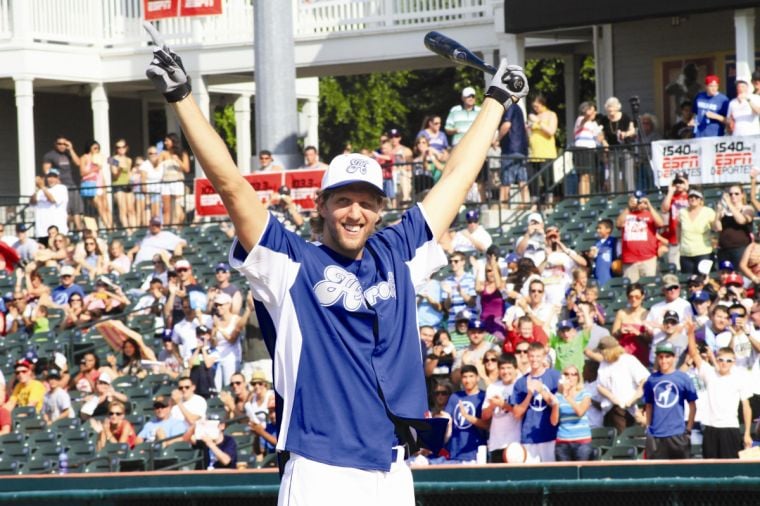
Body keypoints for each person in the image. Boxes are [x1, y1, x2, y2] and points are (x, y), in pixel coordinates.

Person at [144, 23, 527, 502]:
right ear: (321, 206)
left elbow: (453, 180)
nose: (355, 211)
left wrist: (494, 102)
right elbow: (234, 189)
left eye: (366, 202)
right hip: (319, 468)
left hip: (392, 469)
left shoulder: (397, 252)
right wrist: (182, 97)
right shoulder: (290, 263)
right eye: (343, 200)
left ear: (380, 209)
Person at [686, 321, 753, 458]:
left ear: (733, 362)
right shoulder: (709, 373)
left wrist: (746, 433)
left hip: (730, 428)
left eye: (729, 361)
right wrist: (690, 333)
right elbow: (694, 353)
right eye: (721, 359)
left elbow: (746, 407)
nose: (724, 363)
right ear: (716, 359)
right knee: (710, 470)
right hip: (711, 428)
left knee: (731, 470)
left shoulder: (739, 377)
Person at [643, 341, 697, 460]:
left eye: (667, 356)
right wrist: (648, 428)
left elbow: (692, 406)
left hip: (678, 434)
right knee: (657, 475)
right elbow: (649, 406)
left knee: (681, 474)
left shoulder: (683, 378)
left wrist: (688, 430)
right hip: (656, 435)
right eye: (661, 357)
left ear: (674, 358)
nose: (664, 360)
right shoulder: (651, 380)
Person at [510, 342, 561, 462]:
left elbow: (558, 404)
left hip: (551, 435)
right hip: (529, 438)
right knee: (530, 476)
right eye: (532, 356)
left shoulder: (555, 376)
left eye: (538, 356)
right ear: (527, 357)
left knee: (551, 475)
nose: (534, 359)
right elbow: (517, 414)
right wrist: (529, 394)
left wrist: (541, 390)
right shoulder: (521, 382)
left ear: (544, 357)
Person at [596, 336, 650, 434]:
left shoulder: (628, 360)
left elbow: (644, 380)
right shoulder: (603, 364)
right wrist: (612, 397)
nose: (600, 354)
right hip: (608, 408)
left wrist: (632, 400)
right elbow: (599, 386)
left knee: (621, 438)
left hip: (625, 409)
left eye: (601, 351)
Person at [442, 364, 487, 463]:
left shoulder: (483, 397)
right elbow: (446, 420)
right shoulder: (455, 397)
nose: (468, 380)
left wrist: (468, 417)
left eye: (471, 376)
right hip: (455, 452)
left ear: (477, 378)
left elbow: (487, 425)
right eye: (465, 377)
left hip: (476, 452)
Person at [616, 191, 664, 282]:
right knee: (631, 288)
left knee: (649, 286)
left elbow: (660, 223)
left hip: (648, 258)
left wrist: (649, 206)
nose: (639, 204)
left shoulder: (649, 214)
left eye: (641, 201)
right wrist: (629, 208)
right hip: (629, 259)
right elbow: (618, 224)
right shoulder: (627, 214)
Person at [480, 354, 521, 463]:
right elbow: (484, 416)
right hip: (496, 443)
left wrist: (503, 404)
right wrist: (492, 405)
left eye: (509, 368)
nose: (505, 371)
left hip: (515, 442)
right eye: (502, 368)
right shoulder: (492, 387)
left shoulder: (520, 386)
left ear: (516, 369)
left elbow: (520, 413)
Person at [41, 136, 83, 232]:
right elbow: (46, 170)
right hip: (60, 187)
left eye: (64, 144)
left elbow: (78, 163)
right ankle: (66, 230)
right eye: (59, 143)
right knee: (65, 210)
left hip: (72, 184)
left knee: (76, 210)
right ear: (55, 144)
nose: (62, 146)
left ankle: (79, 230)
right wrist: (55, 180)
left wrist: (71, 149)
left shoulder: (68, 154)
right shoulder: (50, 155)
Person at [554, 364, 593, 461]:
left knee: (582, 474)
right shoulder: (558, 396)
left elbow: (580, 412)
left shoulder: (585, 394)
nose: (570, 377)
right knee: (565, 474)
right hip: (563, 441)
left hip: (582, 441)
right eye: (566, 374)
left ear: (578, 378)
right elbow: (554, 420)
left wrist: (567, 396)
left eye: (574, 374)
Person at [598, 97, 636, 192]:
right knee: (612, 174)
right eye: (608, 108)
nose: (610, 111)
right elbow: (599, 133)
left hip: (625, 148)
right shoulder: (604, 120)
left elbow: (633, 130)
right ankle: (614, 195)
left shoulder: (625, 117)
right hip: (612, 150)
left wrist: (626, 134)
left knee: (628, 174)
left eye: (612, 108)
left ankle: (630, 194)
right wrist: (603, 142)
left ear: (617, 107)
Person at [714, 185, 754, 268]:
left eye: (736, 194)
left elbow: (741, 220)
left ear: (742, 195)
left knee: (740, 275)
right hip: (724, 249)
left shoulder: (747, 208)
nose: (733, 196)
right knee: (725, 276)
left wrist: (729, 204)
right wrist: (718, 214)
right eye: (730, 194)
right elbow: (717, 228)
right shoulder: (724, 211)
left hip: (741, 249)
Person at [611, 283, 651, 366]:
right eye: (630, 297)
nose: (634, 299)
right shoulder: (621, 313)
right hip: (623, 355)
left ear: (642, 297)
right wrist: (620, 331)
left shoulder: (647, 314)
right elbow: (613, 335)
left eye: (637, 297)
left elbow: (650, 339)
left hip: (641, 355)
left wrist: (638, 333)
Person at [498, 98, 529, 206]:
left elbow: (507, 125)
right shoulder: (519, 108)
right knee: (522, 179)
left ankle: (503, 204)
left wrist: (497, 139)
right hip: (521, 149)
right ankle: (525, 203)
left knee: (506, 178)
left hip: (510, 148)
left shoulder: (509, 107)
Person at [678, 189, 716, 274]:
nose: (693, 199)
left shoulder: (708, 211)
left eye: (696, 197)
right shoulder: (682, 212)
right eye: (691, 197)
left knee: (704, 280)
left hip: (703, 252)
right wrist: (679, 242)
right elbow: (678, 227)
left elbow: (716, 227)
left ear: (701, 200)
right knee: (689, 281)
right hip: (685, 254)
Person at [572, 101, 603, 200]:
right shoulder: (580, 119)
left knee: (589, 176)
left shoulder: (593, 124)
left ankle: (588, 198)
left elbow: (598, 138)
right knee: (583, 175)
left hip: (591, 150)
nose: (594, 113)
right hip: (582, 149)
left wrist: (601, 135)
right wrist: (587, 115)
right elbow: (582, 122)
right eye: (592, 111)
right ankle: (582, 199)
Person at [80, 140, 113, 228]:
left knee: (106, 207)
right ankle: (108, 227)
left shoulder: (101, 157)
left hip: (101, 183)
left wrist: (121, 163)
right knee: (100, 207)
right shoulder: (85, 157)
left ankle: (111, 226)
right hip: (91, 184)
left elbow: (115, 162)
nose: (96, 150)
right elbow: (82, 172)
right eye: (95, 148)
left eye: (98, 148)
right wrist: (94, 168)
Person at [160, 133, 191, 225]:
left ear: (173, 141)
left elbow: (186, 169)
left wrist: (178, 160)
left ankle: (178, 227)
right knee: (166, 209)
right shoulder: (163, 154)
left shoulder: (182, 153)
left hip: (177, 181)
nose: (165, 143)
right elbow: (157, 165)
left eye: (167, 141)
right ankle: (166, 228)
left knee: (179, 206)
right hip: (166, 182)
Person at [660, 172, 689, 268]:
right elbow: (664, 209)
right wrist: (670, 191)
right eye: (677, 182)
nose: (678, 184)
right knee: (674, 268)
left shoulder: (692, 196)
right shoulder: (671, 197)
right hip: (674, 240)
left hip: (689, 239)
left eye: (681, 182)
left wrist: (687, 189)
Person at [31, 169, 69, 240]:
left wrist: (42, 187)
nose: (51, 179)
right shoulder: (41, 191)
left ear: (58, 178)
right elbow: (32, 202)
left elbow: (52, 199)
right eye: (49, 177)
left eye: (54, 177)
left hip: (58, 232)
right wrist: (37, 188)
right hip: (42, 232)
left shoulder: (61, 188)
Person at [111, 138, 136, 228]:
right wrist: (119, 169)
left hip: (128, 185)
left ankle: (133, 229)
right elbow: (114, 175)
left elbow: (129, 173)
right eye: (118, 147)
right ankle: (127, 229)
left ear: (126, 148)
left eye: (123, 147)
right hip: (118, 185)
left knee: (131, 209)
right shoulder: (112, 159)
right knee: (123, 209)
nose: (121, 149)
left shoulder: (129, 160)